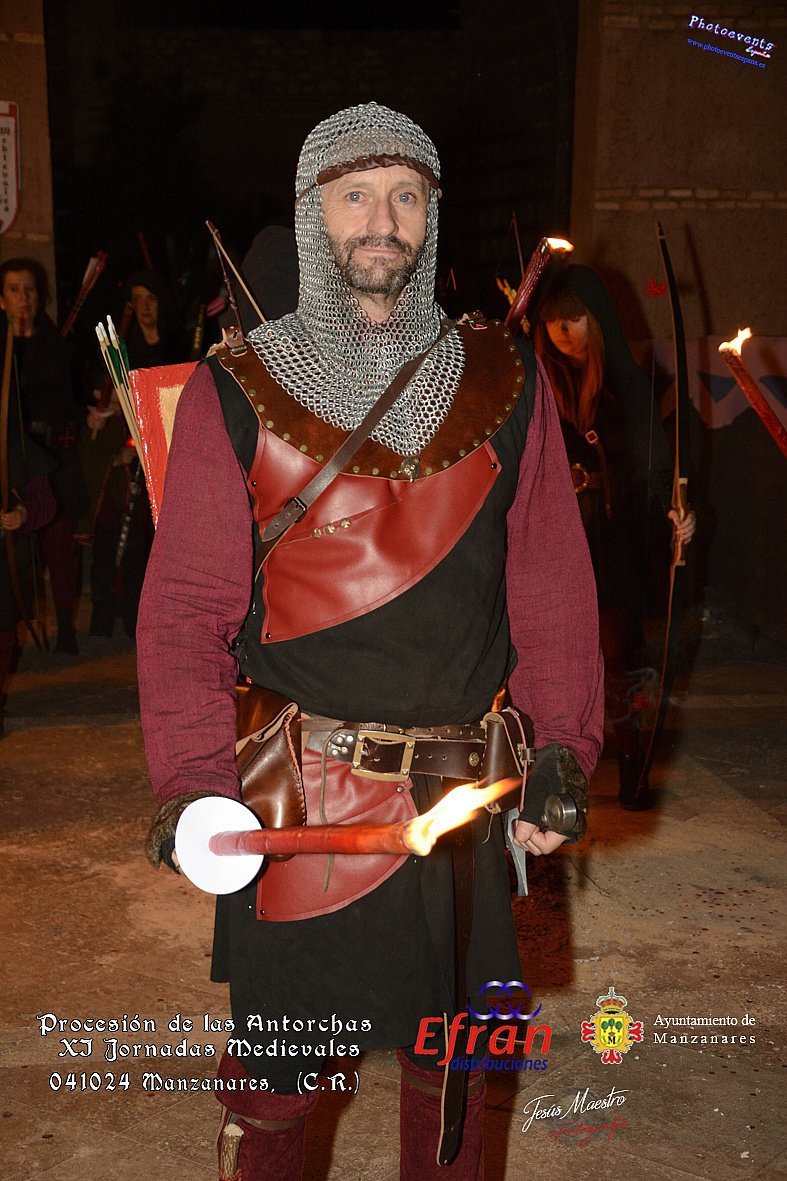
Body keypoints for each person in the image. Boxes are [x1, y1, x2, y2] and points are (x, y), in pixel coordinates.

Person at [137, 103, 604, 1181]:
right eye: (355, 195)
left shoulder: (505, 377)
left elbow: (549, 583)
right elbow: (186, 607)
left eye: (405, 196)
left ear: (431, 216)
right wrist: (192, 780)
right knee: (277, 1084)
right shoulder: (234, 387)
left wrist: (563, 746)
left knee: (455, 1079)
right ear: (314, 214)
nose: (381, 221)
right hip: (300, 804)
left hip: (464, 797)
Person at [533, 265, 695, 809]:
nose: (563, 331)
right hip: (550, 538)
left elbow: (655, 466)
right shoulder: (534, 381)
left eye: (574, 318)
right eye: (553, 320)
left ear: (596, 320)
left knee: (618, 656)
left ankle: (631, 757)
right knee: (548, 657)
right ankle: (545, 765)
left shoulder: (625, 386)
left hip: (609, 542)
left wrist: (676, 512)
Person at [85, 270, 183, 637]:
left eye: (151, 299)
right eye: (137, 299)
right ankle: (109, 613)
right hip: (126, 463)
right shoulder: (122, 355)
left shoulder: (176, 348)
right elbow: (109, 406)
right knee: (114, 536)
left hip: (164, 460)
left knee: (154, 542)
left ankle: (148, 617)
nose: (144, 307)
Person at [0, 259, 88, 654]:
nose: (24, 298)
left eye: (30, 289)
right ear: (2, 299)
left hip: (53, 459)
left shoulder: (56, 345)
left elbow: (74, 402)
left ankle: (65, 627)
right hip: (9, 462)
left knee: (58, 544)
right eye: (14, 290)